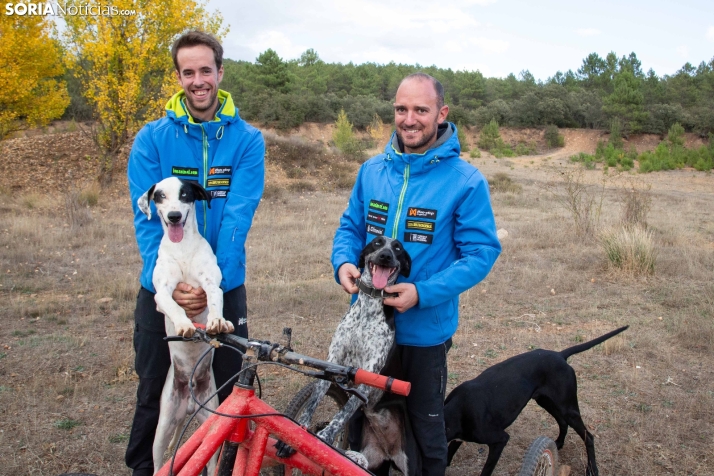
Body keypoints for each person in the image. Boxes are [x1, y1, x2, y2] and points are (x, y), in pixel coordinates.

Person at [332, 72, 501, 475]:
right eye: (401, 109)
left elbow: (481, 253)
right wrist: (342, 263)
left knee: (425, 432)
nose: (410, 119)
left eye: (421, 110)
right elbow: (349, 228)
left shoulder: (464, 180)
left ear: (441, 113)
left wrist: (421, 293)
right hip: (367, 331)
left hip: (423, 335)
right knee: (360, 422)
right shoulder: (372, 171)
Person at [125, 31, 265, 476]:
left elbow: (237, 218)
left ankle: (220, 471)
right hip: (164, 287)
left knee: (224, 389)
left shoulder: (247, 141)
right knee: (154, 389)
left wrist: (209, 285)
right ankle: (145, 470)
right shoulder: (152, 140)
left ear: (220, 73)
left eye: (206, 70)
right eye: (189, 72)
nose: (198, 80)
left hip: (222, 284)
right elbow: (148, 222)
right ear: (179, 77)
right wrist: (168, 281)